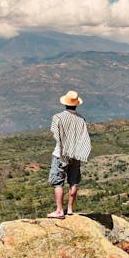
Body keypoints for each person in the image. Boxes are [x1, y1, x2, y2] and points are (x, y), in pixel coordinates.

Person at [47, 90, 91, 219]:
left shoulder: (58, 117)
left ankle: (59, 210)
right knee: (73, 182)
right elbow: (82, 137)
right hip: (76, 154)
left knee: (58, 182)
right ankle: (70, 209)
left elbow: (55, 134)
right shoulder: (81, 119)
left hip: (60, 154)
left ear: (65, 103)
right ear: (76, 104)